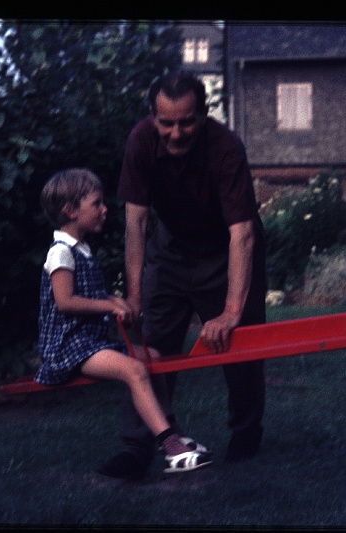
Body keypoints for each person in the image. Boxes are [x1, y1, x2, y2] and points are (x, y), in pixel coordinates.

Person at [98, 71, 267, 480]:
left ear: (204, 114)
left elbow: (241, 234)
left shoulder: (225, 147)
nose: (176, 133)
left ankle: (245, 436)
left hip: (226, 254)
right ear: (153, 117)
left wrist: (229, 312)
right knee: (149, 349)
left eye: (187, 121)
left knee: (240, 347)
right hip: (171, 253)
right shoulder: (141, 141)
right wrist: (134, 297)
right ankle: (138, 447)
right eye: (166, 123)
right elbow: (135, 225)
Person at [36, 168, 213, 475]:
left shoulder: (82, 250)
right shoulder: (61, 253)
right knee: (133, 369)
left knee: (153, 357)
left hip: (90, 342)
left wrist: (117, 303)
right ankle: (171, 448)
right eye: (97, 204)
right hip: (68, 347)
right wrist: (107, 303)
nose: (104, 210)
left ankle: (171, 430)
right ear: (71, 210)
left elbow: (89, 295)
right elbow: (65, 302)